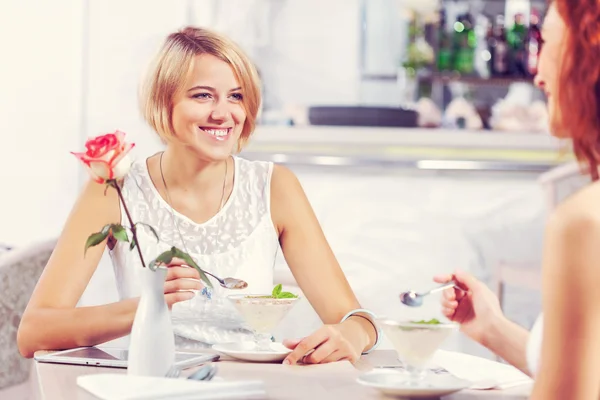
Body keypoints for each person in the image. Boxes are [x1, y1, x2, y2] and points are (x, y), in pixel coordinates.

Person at [17, 26, 379, 365]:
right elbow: (34, 333)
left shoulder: (275, 187)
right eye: (203, 95)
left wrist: (351, 334)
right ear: (163, 102)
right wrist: (147, 305)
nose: (224, 114)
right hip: (152, 386)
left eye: (236, 96)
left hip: (252, 388)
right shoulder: (114, 188)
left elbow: (356, 320)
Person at [436, 1, 600, 398]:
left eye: (545, 42)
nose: (536, 71)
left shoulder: (583, 222)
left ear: (588, 59)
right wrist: (492, 328)